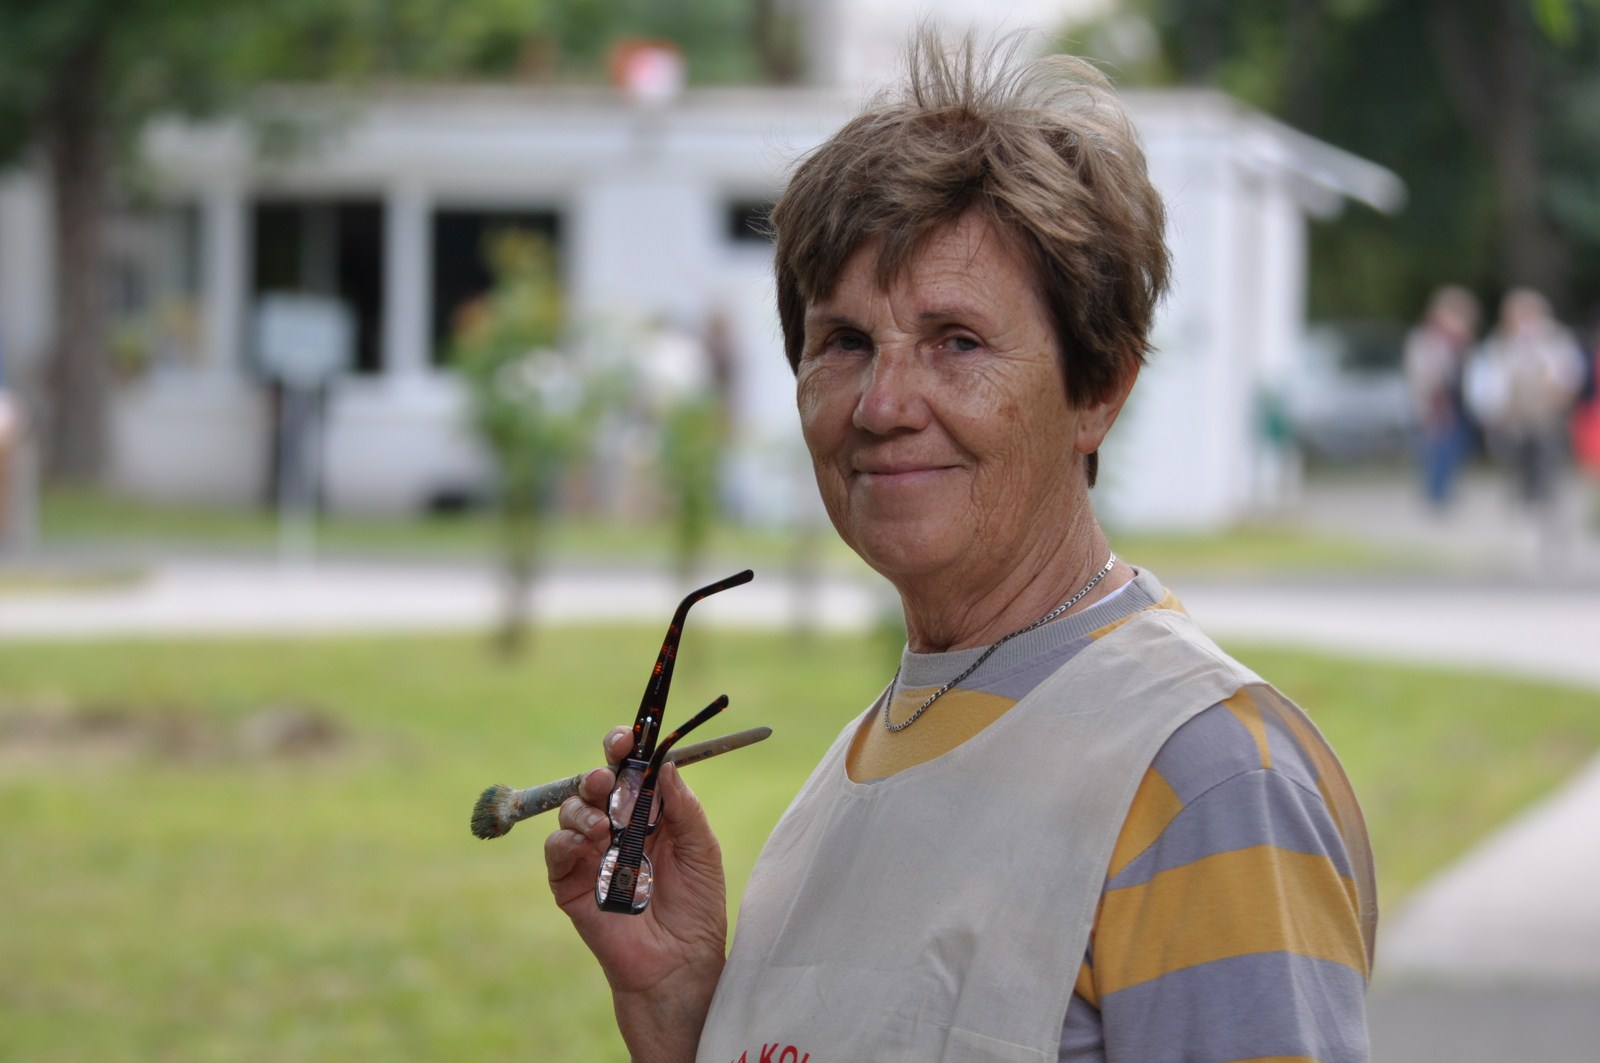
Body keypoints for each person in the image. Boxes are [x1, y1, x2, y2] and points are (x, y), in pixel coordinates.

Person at [545, 35, 1376, 1062]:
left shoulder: (1205, 781)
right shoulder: (863, 763)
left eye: (957, 341)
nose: (883, 404)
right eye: (845, 342)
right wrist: (680, 1010)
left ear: (1097, 389)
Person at [1467, 289, 1586, 513]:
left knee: (1546, 456)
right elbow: (1488, 382)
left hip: (1547, 413)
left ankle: (1544, 500)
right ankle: (1521, 500)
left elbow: (1570, 373)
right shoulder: (1499, 345)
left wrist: (1560, 392)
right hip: (1513, 416)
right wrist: (1493, 410)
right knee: (1515, 459)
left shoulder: (1556, 340)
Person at [1404, 285, 1479, 508]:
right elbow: (1420, 373)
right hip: (1434, 402)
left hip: (1457, 402)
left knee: (1456, 446)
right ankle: (1435, 493)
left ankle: (1443, 490)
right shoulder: (1426, 339)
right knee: (1437, 446)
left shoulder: (1463, 342)